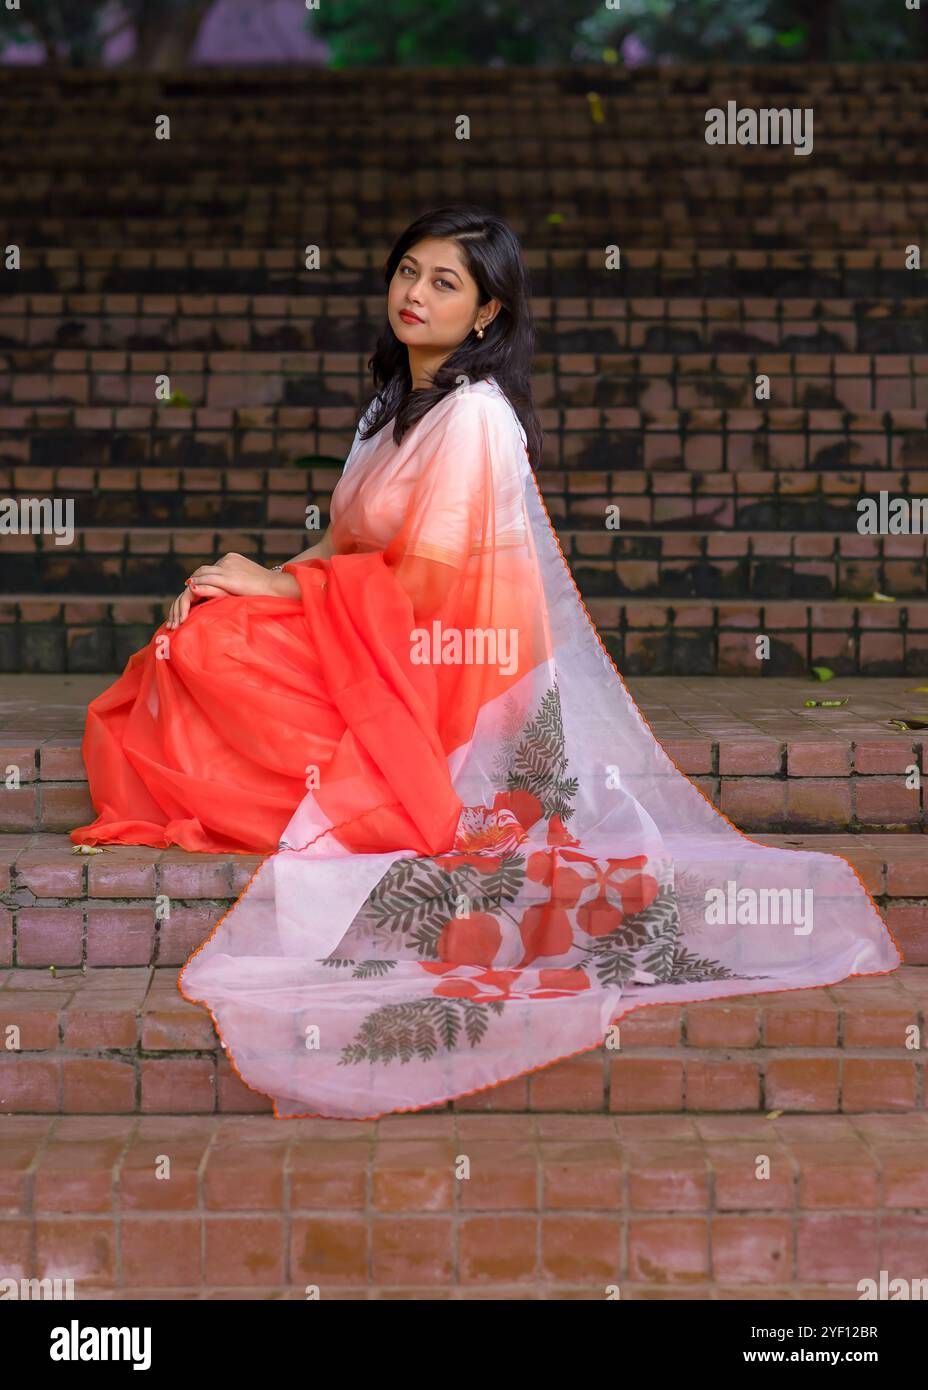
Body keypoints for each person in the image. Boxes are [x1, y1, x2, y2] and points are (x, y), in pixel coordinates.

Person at [74, 206, 903, 1121]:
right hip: (370, 639)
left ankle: (363, 799)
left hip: (443, 675)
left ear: (487, 316)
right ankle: (319, 785)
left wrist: (278, 599)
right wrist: (261, 577)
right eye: (407, 272)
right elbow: (347, 545)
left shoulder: (473, 418)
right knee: (202, 630)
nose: (414, 293)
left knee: (223, 644)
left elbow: (427, 592)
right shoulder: (394, 407)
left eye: (444, 282)